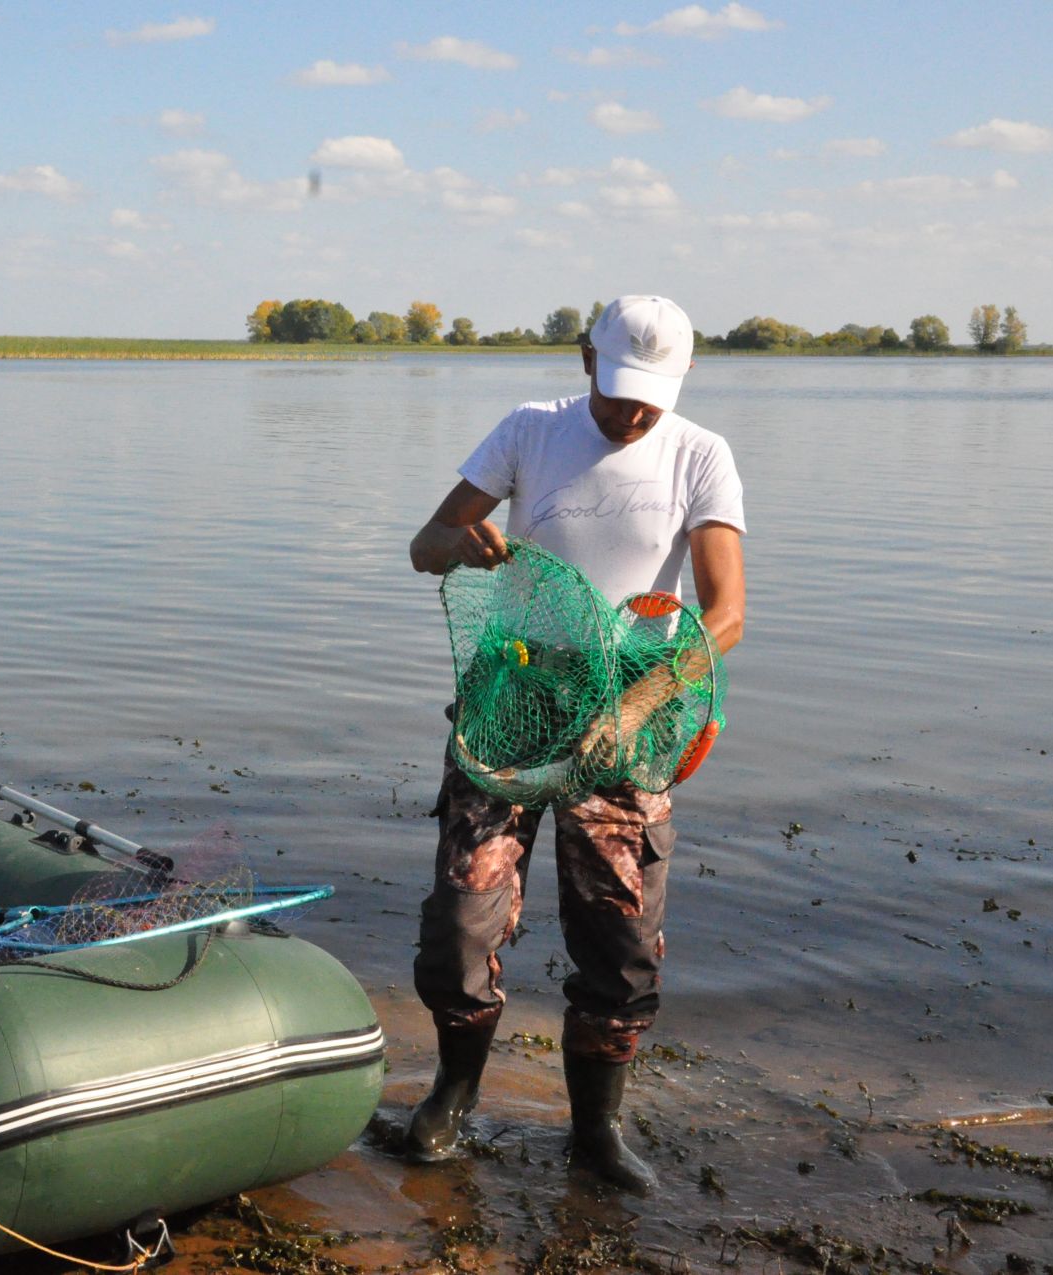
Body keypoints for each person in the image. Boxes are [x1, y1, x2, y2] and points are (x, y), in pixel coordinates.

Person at [403, 296, 747, 1191]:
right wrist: (461, 544)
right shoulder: (529, 430)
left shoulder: (701, 455)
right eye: (619, 390)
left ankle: (596, 1128)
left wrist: (635, 708)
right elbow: (422, 544)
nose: (633, 415)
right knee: (462, 916)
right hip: (513, 696)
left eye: (653, 397)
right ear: (583, 359)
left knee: (620, 933)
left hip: (633, 706)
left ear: (684, 382)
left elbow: (726, 614)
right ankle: (452, 1092)